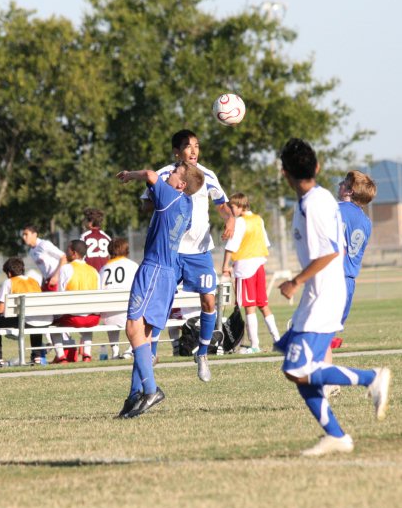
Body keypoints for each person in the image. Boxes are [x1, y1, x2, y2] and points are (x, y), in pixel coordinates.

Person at [275, 138, 391, 456]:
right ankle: (336, 435)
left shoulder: (316, 204)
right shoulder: (324, 199)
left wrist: (295, 281)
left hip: (324, 291)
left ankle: (371, 378)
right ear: (317, 167)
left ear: (284, 173)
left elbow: (329, 252)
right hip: (324, 289)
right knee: (294, 369)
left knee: (298, 368)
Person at [142, 129, 234, 382]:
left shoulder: (207, 175)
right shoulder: (164, 174)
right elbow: (145, 204)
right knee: (161, 302)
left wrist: (230, 221)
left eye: (196, 145)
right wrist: (164, 194)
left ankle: (202, 354)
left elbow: (223, 206)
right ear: (176, 151)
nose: (193, 150)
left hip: (199, 251)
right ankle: (150, 353)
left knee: (209, 301)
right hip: (169, 251)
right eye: (187, 146)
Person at [117, 160, 205, 418]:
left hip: (154, 269)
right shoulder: (187, 205)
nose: (169, 174)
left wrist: (128, 174)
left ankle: (151, 390)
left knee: (132, 328)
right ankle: (135, 396)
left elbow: (149, 174)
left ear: (182, 184)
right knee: (142, 335)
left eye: (174, 172)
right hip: (168, 273)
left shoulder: (171, 196)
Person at [221, 192, 281, 353]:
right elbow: (265, 243)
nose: (231, 210)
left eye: (232, 207)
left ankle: (255, 345)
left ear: (240, 206)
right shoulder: (258, 219)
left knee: (249, 306)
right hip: (260, 265)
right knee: (263, 304)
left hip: (245, 268)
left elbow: (231, 246)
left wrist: (225, 266)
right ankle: (278, 341)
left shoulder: (240, 222)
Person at [331, 170, 377, 349]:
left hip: (331, 277)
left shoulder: (334, 210)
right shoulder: (366, 222)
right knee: (328, 334)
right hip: (349, 282)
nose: (339, 185)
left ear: (349, 191)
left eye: (343, 182)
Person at [0, 257, 47, 367]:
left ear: (9, 273)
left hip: (24, 320)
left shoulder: (9, 282)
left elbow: (0, 310)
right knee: (35, 318)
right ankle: (37, 357)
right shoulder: (34, 281)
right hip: (40, 319)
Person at [50, 239, 100, 363]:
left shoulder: (66, 269)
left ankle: (61, 357)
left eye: (68, 249)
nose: (66, 252)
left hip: (73, 317)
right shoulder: (94, 271)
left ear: (74, 253)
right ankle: (87, 355)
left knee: (52, 325)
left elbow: (60, 295)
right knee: (88, 324)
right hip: (91, 318)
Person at [99, 238, 140, 359]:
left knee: (110, 311)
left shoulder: (103, 269)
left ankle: (115, 351)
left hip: (109, 315)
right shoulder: (132, 265)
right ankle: (130, 349)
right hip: (128, 313)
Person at [21, 226, 67, 291]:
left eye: (26, 234)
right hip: (47, 281)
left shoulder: (44, 244)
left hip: (58, 280)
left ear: (34, 234)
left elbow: (64, 257)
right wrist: (43, 283)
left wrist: (56, 277)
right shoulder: (31, 251)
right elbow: (44, 269)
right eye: (23, 235)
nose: (24, 237)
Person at [80, 208, 112, 272]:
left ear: (90, 222)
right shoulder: (107, 237)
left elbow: (80, 257)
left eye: (85, 220)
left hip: (89, 273)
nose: (84, 222)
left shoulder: (84, 237)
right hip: (104, 273)